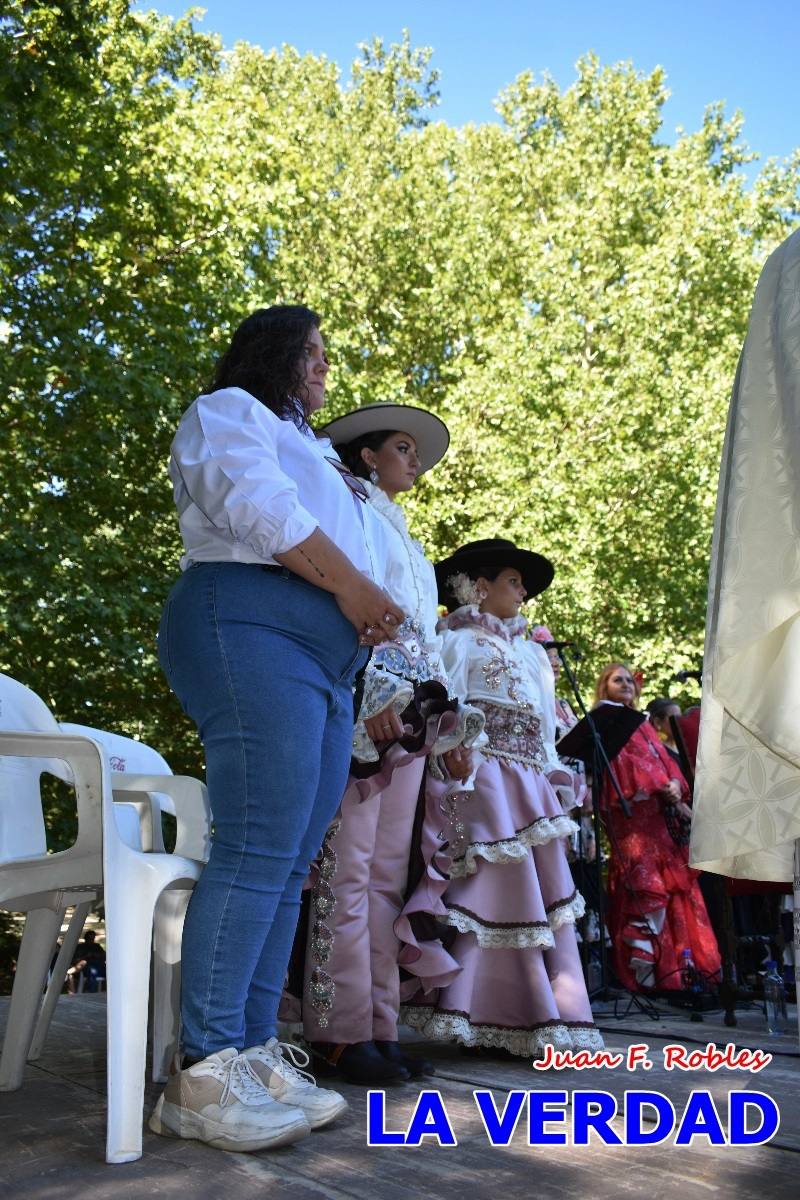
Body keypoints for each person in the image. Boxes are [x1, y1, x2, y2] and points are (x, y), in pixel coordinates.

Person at [150, 305, 405, 1153]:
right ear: (273, 353)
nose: (325, 367)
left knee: (292, 862)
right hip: (249, 622)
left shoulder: (320, 454)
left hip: (327, 662)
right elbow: (257, 505)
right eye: (312, 353)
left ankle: (253, 1055)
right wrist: (354, 589)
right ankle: (202, 1072)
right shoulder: (230, 411)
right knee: (260, 845)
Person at [298, 402, 483, 1084]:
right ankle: (335, 1031)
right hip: (363, 705)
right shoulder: (344, 508)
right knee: (344, 872)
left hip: (412, 715)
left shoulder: (410, 540)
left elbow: (424, 642)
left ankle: (377, 1025)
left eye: (416, 450)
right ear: (368, 455)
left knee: (384, 877)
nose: (415, 460)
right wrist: (371, 690)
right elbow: (344, 603)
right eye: (402, 447)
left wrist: (448, 723)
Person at [400, 539, 602, 1058]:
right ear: (479, 587)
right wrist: (452, 761)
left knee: (542, 898)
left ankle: (538, 1016)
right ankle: (478, 1011)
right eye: (514, 581)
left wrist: (555, 776)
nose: (523, 592)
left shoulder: (532, 653)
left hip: (530, 786)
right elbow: (443, 712)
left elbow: (544, 727)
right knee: (488, 890)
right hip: (483, 778)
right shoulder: (456, 642)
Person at [593, 663, 721, 992]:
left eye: (629, 680)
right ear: (604, 686)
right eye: (617, 680)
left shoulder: (644, 723)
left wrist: (675, 785)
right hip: (632, 818)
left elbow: (664, 762)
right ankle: (646, 971)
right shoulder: (603, 722)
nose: (626, 684)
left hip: (660, 817)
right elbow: (620, 766)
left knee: (674, 884)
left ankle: (680, 969)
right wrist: (658, 785)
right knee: (646, 884)